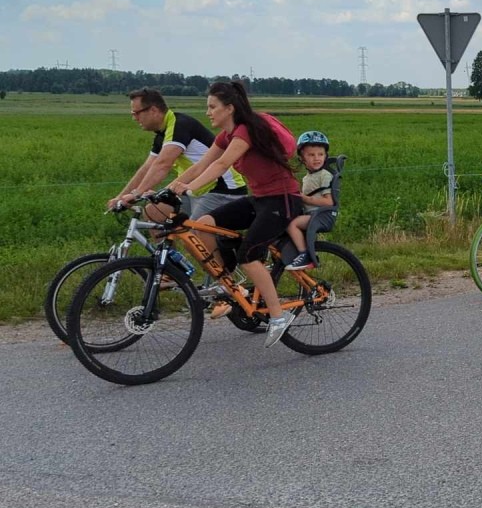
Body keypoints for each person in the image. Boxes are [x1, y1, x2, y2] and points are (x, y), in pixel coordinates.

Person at [167, 81, 301, 347]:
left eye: (212, 107)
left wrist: (189, 189)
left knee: (249, 256)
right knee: (203, 225)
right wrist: (170, 189)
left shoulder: (245, 131)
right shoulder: (225, 136)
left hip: (282, 200)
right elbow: (202, 164)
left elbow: (221, 164)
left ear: (229, 108)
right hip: (259, 199)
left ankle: (278, 316)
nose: (208, 112)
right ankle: (231, 285)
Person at [109, 88, 247, 217]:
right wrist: (120, 197)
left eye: (136, 113)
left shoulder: (180, 125)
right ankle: (168, 244)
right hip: (192, 188)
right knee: (154, 212)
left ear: (153, 110)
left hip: (221, 188)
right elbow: (147, 167)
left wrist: (137, 194)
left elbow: (163, 165)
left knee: (196, 232)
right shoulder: (161, 134)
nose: (134, 118)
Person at [284, 131, 335, 271]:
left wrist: (305, 198)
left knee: (291, 224)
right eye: (311, 155)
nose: (316, 158)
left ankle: (304, 254)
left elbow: (329, 202)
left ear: (326, 156)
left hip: (320, 214)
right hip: (311, 213)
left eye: (320, 154)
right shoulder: (308, 177)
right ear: (302, 158)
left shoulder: (324, 176)